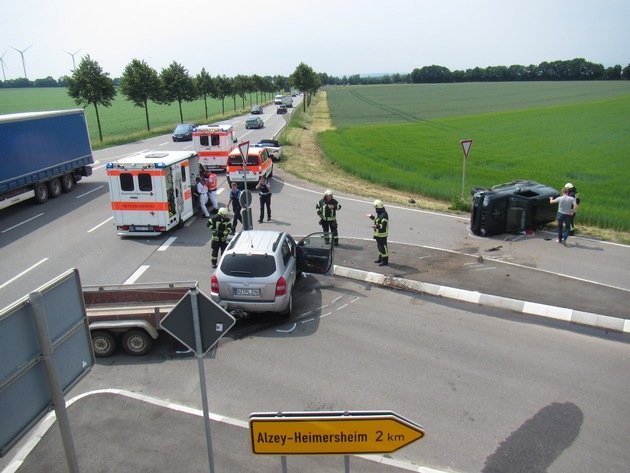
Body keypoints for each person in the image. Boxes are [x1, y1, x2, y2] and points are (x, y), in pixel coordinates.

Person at [368, 199, 389, 266]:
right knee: (379, 247)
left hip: (382, 234)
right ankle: (380, 258)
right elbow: (377, 220)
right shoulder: (380, 213)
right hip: (378, 234)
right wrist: (371, 217)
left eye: (376, 208)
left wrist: (376, 226)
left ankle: (385, 260)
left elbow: (383, 225)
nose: (375, 210)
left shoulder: (384, 215)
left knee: (383, 247)